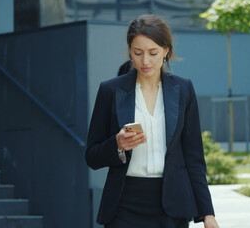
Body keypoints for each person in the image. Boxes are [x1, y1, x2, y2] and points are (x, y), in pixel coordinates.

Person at [85, 14, 219, 228]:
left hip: (171, 206)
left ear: (166, 51)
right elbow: (91, 156)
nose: (145, 61)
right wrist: (117, 145)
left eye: (153, 53)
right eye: (138, 53)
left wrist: (207, 213)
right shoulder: (110, 90)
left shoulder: (183, 90)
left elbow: (194, 157)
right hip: (123, 204)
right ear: (130, 51)